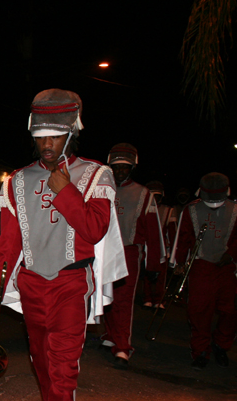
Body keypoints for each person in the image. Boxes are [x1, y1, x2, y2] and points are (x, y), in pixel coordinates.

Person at [0, 89, 126, 401]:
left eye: (54, 136)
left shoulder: (97, 175)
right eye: (40, 136)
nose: (46, 144)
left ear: (71, 134)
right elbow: (7, 242)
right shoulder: (17, 180)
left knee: (62, 368)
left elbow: (95, 229)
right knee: (40, 363)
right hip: (30, 283)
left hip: (70, 283)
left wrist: (64, 189)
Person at [100, 144, 163, 367]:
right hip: (103, 251)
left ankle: (123, 347)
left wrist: (154, 264)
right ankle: (110, 335)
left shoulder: (143, 193)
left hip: (128, 251)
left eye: (125, 168)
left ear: (132, 168)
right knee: (105, 297)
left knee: (123, 300)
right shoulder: (101, 188)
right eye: (116, 167)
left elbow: (153, 232)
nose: (120, 172)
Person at [170, 172, 237, 369]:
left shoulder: (235, 210)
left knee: (230, 311)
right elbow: (183, 238)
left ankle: (221, 344)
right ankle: (200, 350)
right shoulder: (191, 210)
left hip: (227, 267)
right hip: (201, 265)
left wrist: (232, 254)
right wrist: (180, 263)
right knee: (199, 310)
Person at [142, 180, 174, 310]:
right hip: (147, 248)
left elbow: (172, 233)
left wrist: (172, 251)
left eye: (158, 196)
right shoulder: (143, 208)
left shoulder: (168, 211)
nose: (156, 199)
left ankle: (159, 299)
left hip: (162, 249)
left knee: (161, 276)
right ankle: (147, 298)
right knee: (147, 275)